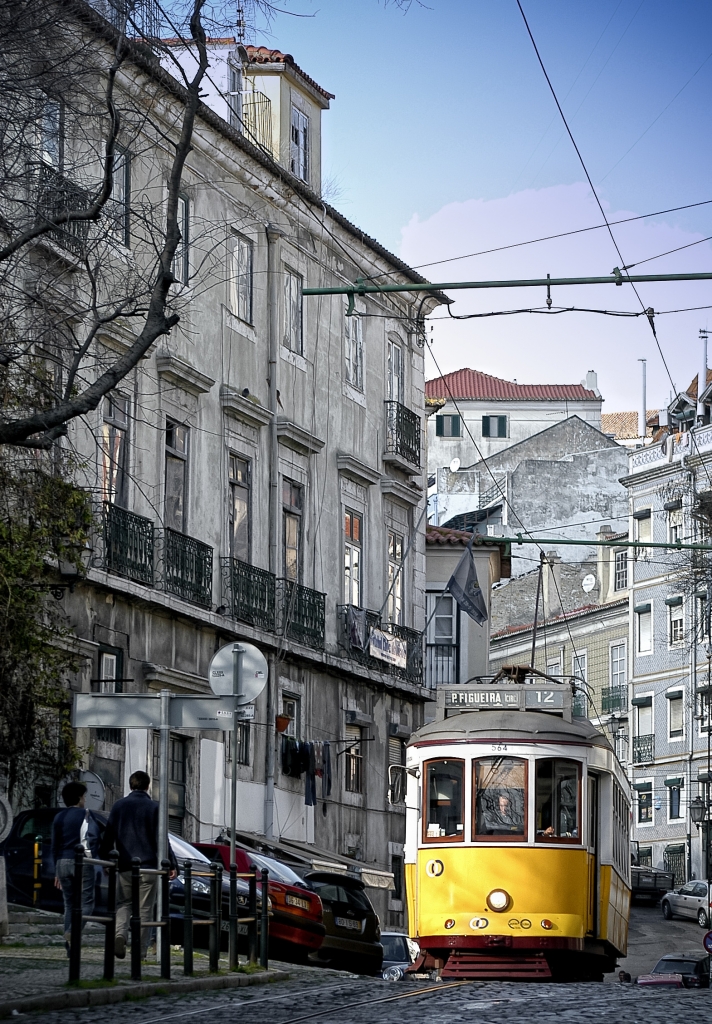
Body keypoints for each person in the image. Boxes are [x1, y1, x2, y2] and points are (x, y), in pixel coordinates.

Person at [100, 770, 177, 960]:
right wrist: (172, 864)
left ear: (130, 785)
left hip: (125, 866)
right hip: (149, 867)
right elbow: (162, 840)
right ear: (148, 786)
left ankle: (120, 934)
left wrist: (107, 859)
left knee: (124, 904)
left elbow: (108, 835)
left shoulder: (118, 806)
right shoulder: (154, 807)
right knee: (144, 910)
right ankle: (139, 952)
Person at [52, 781, 101, 954]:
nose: (85, 800)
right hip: (82, 862)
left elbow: (54, 845)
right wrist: (94, 857)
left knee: (69, 904)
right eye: (84, 796)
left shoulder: (59, 817)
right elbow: (94, 838)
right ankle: (72, 933)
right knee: (87, 902)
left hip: (62, 862)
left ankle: (69, 948)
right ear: (79, 797)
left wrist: (56, 871)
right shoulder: (86, 815)